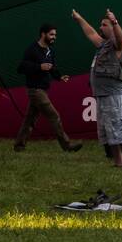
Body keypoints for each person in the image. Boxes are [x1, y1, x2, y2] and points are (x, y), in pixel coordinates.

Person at [76, 8, 122, 168]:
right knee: (109, 131)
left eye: (104, 25)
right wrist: (79, 18)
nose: (100, 28)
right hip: (102, 95)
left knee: (121, 129)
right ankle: (118, 162)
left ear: (112, 27)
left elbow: (120, 38)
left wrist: (114, 22)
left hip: (115, 96)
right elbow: (90, 33)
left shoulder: (118, 46)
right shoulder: (103, 45)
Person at [14, 23, 82, 152]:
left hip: (43, 89)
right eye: (51, 34)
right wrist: (39, 67)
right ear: (43, 34)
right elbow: (21, 68)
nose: (54, 37)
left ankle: (19, 145)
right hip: (35, 90)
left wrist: (59, 77)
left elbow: (52, 67)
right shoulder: (32, 50)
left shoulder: (50, 51)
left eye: (55, 35)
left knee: (30, 119)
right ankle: (67, 145)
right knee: (54, 115)